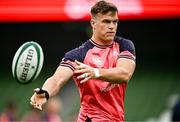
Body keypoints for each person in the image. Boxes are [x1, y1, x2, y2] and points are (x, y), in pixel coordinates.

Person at [30, 0, 136, 121]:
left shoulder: (124, 45)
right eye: (106, 21)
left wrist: (95, 72)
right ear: (93, 23)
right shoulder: (78, 54)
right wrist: (46, 92)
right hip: (90, 118)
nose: (112, 26)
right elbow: (57, 79)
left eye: (115, 21)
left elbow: (125, 74)